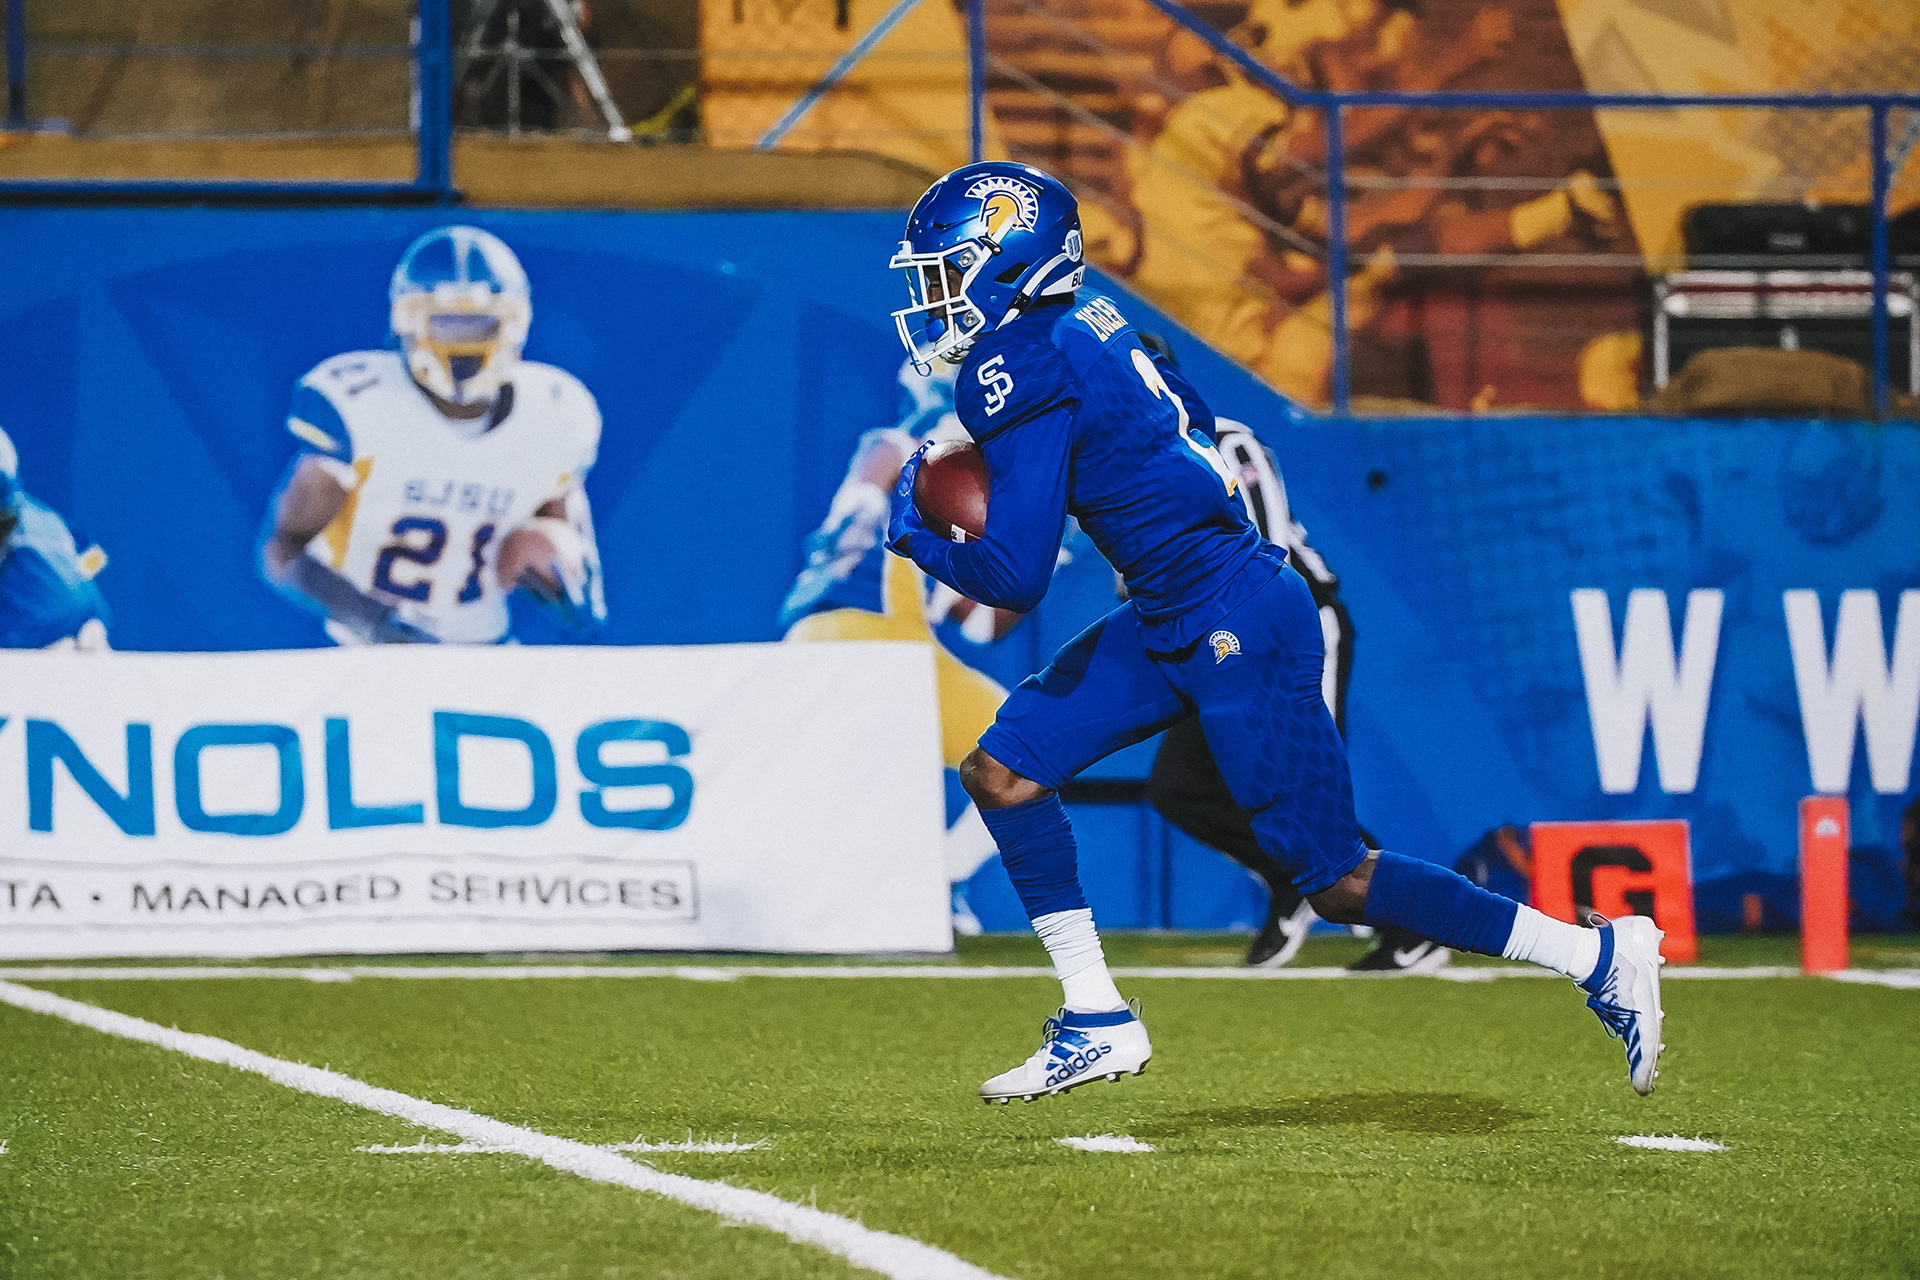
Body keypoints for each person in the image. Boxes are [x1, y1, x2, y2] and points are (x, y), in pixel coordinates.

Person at [882, 160, 1666, 1103]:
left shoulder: (1016, 361)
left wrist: (915, 530)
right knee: (1002, 772)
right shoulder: (1094, 320)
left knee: (1336, 879)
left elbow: (1014, 574)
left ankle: (1595, 956)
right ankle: (1095, 1017)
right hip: (1183, 603)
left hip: (1232, 616)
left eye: (947, 270)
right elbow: (1187, 417)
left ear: (1006, 259)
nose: (935, 295)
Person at [1134, 333, 1445, 973]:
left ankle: (1416, 919)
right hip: (1210, 645)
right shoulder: (1123, 470)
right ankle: (1289, 882)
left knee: (1302, 786)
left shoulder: (1224, 441)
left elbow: (1264, 551)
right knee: (1181, 786)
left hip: (1287, 629)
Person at [262, 225, 605, 645]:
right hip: (360, 655)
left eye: (480, 324)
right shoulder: (362, 405)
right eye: (448, 324)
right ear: (407, 321)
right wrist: (376, 620)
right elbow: (284, 550)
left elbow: (564, 534)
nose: (465, 343)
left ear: (516, 323)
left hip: (486, 651)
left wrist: (570, 584)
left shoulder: (554, 413)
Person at [781, 359, 1023, 933]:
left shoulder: (947, 482)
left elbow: (980, 623)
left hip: (833, 637)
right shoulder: (906, 452)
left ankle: (924, 883)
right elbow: (862, 504)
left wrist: (1043, 555)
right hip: (877, 635)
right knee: (1034, 748)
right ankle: (938, 879)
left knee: (1024, 752)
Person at [0, 426, 111, 651]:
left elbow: (97, 556)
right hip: (89, 612)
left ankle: (59, 641)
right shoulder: (44, 514)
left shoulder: (11, 514)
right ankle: (78, 632)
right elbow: (97, 556)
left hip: (35, 626)